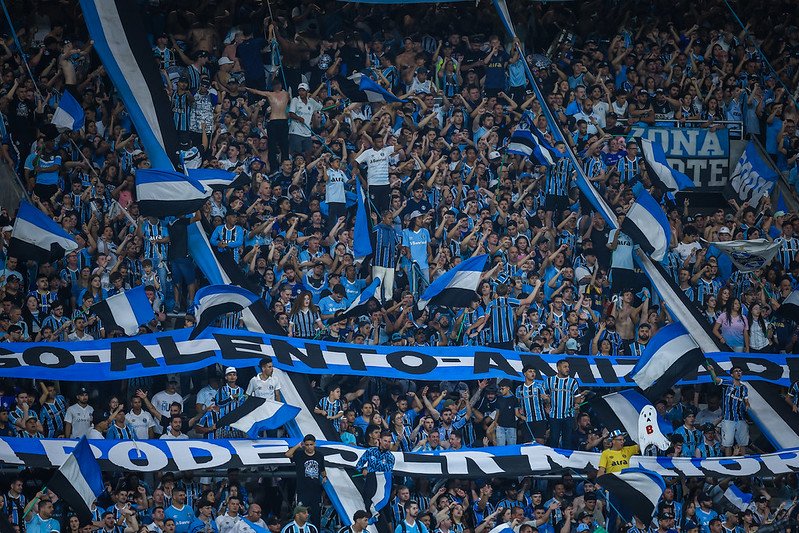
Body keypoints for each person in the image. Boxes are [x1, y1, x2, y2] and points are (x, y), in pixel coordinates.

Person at [285, 435, 326, 528]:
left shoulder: (319, 455)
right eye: (307, 445)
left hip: (316, 491)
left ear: (314, 444)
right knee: (300, 517)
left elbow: (322, 469)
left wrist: (325, 476)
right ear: (304, 445)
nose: (309, 447)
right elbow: (287, 454)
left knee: (316, 518)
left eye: (311, 444)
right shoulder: (299, 454)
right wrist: (297, 446)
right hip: (302, 491)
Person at [716, 366, 750, 456]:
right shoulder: (728, 383)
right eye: (736, 371)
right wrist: (712, 371)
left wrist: (747, 405)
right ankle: (728, 461)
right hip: (728, 418)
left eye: (740, 371)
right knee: (728, 443)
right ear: (731, 374)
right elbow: (716, 380)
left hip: (740, 418)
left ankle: (744, 460)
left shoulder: (744, 388)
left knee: (743, 442)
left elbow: (746, 400)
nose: (738, 372)